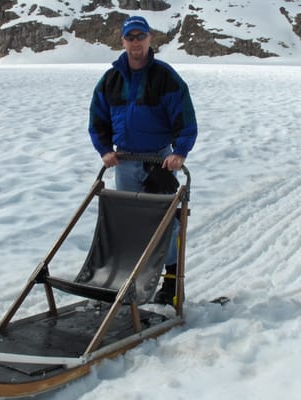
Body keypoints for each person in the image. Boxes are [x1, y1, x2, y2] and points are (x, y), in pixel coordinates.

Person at [88, 16, 198, 305]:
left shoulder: (165, 77)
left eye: (140, 36)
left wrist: (179, 152)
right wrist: (105, 150)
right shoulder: (111, 79)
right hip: (123, 160)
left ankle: (172, 283)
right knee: (128, 222)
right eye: (130, 37)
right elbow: (98, 119)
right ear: (122, 41)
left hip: (159, 161)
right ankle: (129, 280)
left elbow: (185, 119)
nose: (135, 42)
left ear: (150, 39)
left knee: (165, 224)